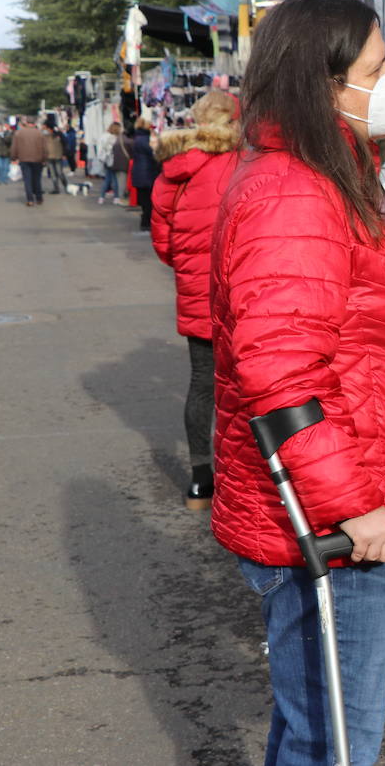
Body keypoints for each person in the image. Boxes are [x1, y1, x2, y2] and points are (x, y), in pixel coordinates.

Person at [211, 0, 385, 766]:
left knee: (318, 730)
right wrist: (354, 509)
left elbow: (336, 314)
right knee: (338, 740)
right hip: (326, 517)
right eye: (379, 66)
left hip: (332, 500)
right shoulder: (296, 191)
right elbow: (280, 374)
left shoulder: (321, 175)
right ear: (326, 83)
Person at [151, 90, 242, 510]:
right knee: (249, 384)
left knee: (201, 385)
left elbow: (164, 244)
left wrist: (190, 268)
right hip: (243, 293)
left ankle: (200, 483)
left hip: (195, 293)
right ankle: (246, 478)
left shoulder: (173, 171)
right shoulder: (245, 165)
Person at [128, 117, 159, 233]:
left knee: (145, 200)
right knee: (149, 201)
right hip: (148, 173)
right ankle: (146, 222)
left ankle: (145, 221)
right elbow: (153, 154)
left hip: (139, 172)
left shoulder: (137, 138)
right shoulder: (146, 139)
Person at [11, 117, 46, 206]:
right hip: (38, 159)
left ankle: (30, 199)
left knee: (27, 180)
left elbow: (14, 147)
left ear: (26, 123)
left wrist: (13, 158)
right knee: (37, 179)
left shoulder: (19, 133)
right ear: (34, 123)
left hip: (24, 159)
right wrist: (44, 159)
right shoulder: (39, 133)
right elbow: (44, 148)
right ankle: (39, 198)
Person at [99, 122, 128, 204]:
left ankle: (102, 197)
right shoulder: (114, 138)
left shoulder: (104, 136)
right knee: (115, 180)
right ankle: (116, 197)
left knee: (107, 179)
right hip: (113, 160)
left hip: (106, 160)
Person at [43, 120, 67, 195]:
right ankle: (56, 188)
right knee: (53, 174)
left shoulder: (58, 134)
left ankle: (66, 186)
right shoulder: (44, 135)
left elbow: (65, 143)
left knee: (59, 172)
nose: (43, 127)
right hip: (49, 157)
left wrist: (64, 154)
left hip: (58, 156)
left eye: (44, 126)